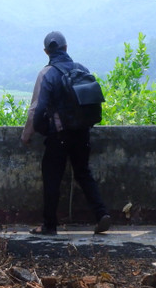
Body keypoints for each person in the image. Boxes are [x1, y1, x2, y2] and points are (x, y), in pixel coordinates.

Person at [20, 31, 111, 235]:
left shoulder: (47, 73)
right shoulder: (82, 69)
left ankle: (49, 225)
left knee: (52, 178)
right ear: (66, 48)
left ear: (46, 51)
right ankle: (101, 214)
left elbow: (37, 108)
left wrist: (28, 134)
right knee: (83, 173)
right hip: (82, 133)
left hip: (58, 136)